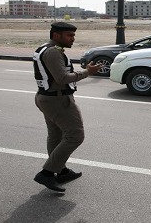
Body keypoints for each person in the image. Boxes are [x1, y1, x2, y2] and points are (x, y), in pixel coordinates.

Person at [32, 22, 103, 192]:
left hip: (46, 97)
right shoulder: (53, 52)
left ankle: (61, 171)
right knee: (75, 136)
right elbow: (62, 78)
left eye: (73, 35)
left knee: (55, 136)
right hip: (58, 101)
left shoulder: (44, 48)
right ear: (56, 35)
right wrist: (87, 72)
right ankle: (47, 173)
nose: (73, 39)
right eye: (69, 35)